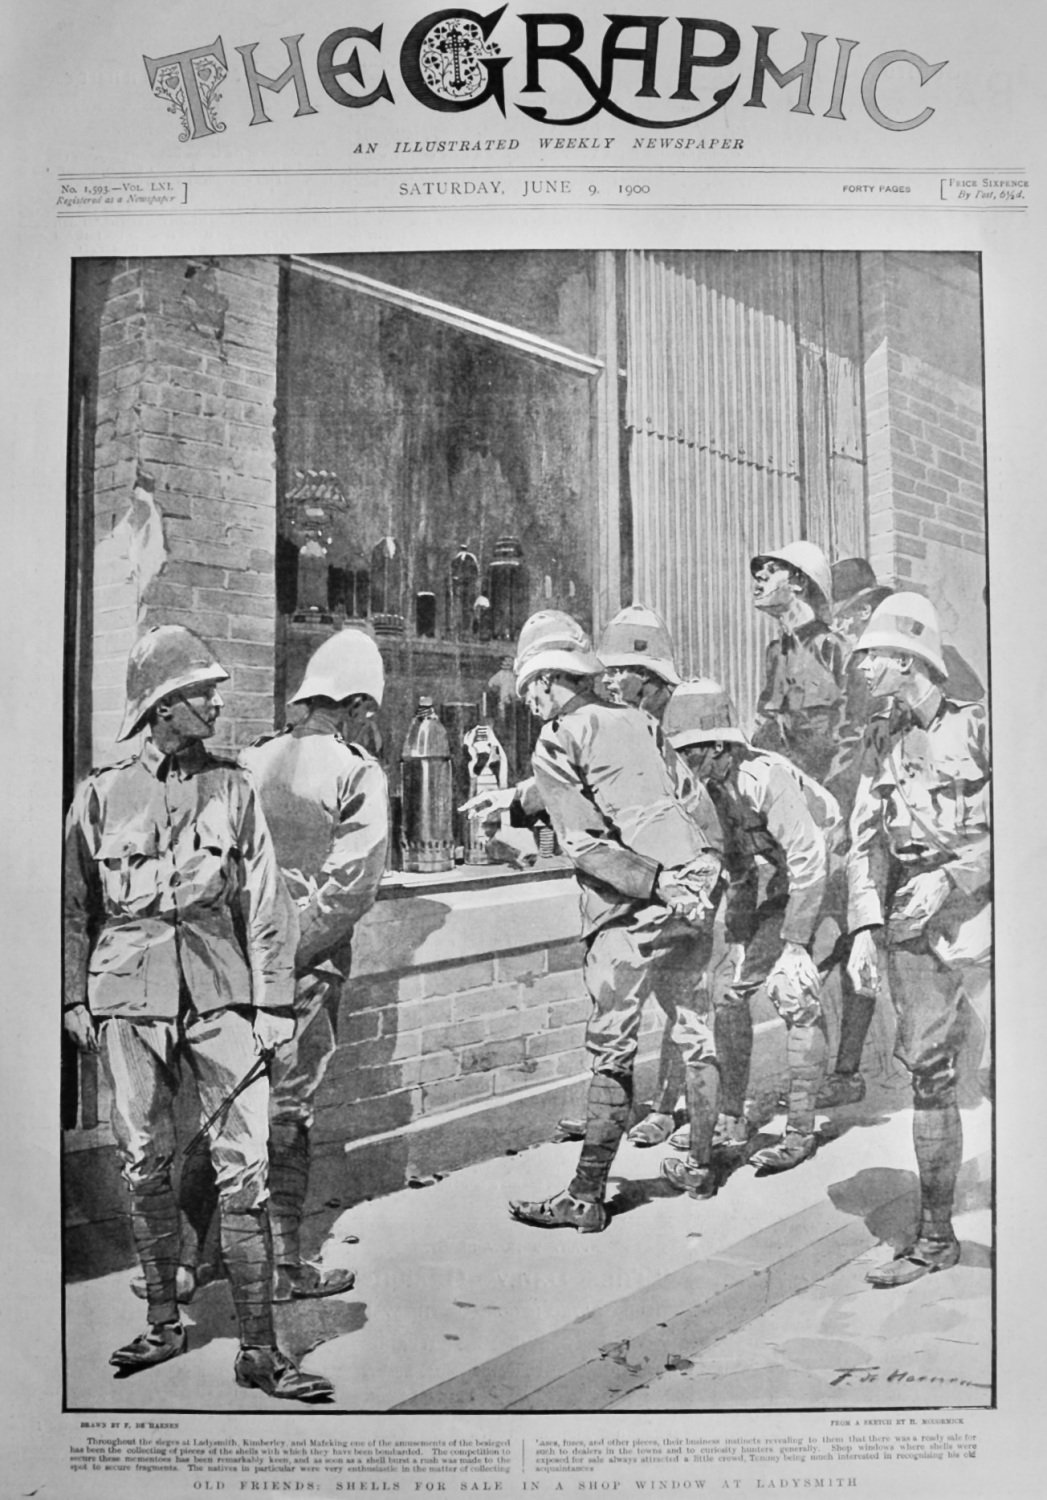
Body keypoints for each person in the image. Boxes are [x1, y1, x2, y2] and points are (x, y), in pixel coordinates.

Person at [63, 625, 332, 1401]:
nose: (217, 701)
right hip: (128, 1000)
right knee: (142, 1158)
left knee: (243, 1166)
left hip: (223, 997)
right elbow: (74, 905)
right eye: (201, 692)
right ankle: (162, 1321)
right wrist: (76, 996)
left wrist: (274, 1002)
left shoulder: (234, 788)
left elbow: (266, 903)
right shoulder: (102, 793)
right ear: (162, 706)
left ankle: (258, 1350)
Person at [176, 628, 390, 1301]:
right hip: (300, 970)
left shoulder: (249, 760)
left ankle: (188, 1263)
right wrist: (285, 957)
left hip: (232, 962)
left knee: (223, 1103)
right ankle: (282, 1268)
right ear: (355, 706)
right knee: (287, 1113)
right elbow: (351, 886)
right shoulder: (358, 770)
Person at [505, 611, 724, 1228]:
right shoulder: (640, 721)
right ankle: (701, 1168)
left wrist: (654, 882)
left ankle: (586, 1195)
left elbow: (584, 843)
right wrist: (700, 871)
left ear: (547, 681)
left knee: (612, 1050)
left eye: (528, 690)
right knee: (694, 1030)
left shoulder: (554, 739)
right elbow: (693, 804)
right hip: (693, 894)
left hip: (629, 909)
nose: (527, 702)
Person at [845, 593, 990, 1286]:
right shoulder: (878, 736)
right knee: (928, 1071)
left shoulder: (982, 728)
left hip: (989, 914)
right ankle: (935, 1235)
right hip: (911, 917)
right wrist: (863, 928)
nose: (862, 666)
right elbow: (862, 841)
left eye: (872, 654)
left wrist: (954, 879)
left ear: (906, 662)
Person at [664, 679, 840, 1174]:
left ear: (719, 746)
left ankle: (801, 1131)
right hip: (778, 883)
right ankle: (731, 1116)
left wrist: (796, 944)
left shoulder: (765, 777)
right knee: (727, 991)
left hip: (831, 878)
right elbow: (739, 871)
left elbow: (810, 860)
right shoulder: (709, 791)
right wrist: (738, 936)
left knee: (794, 991)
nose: (683, 765)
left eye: (690, 752)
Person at [814, 557, 896, 1108]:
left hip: (895, 825)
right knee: (849, 942)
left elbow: (859, 750)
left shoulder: (887, 662)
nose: (840, 628)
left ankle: (856, 1069)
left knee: (863, 942)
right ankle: (845, 1069)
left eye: (846, 617)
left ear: (866, 609)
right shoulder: (864, 665)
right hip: (867, 820)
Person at [750, 541, 847, 784]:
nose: (759, 576)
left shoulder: (832, 646)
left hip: (829, 790)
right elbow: (766, 727)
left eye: (772, 571)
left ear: (799, 581)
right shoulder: (775, 653)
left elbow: (853, 731)